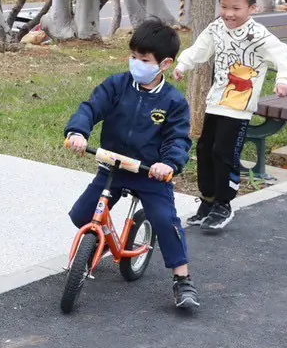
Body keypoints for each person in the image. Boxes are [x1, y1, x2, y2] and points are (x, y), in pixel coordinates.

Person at [65, 19, 196, 310]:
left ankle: (182, 279)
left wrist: (168, 164)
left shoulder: (173, 102)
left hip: (149, 173)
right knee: (82, 214)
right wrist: (78, 132)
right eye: (133, 56)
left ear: (164, 64)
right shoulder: (116, 86)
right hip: (113, 166)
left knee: (165, 220)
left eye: (144, 60)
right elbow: (91, 108)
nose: (136, 63)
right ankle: (98, 240)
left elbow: (178, 138)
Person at [171, 0, 287, 233]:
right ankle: (207, 200)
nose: (229, 13)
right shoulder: (217, 27)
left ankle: (223, 204)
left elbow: (282, 54)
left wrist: (284, 80)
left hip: (239, 107)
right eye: (224, 6)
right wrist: (183, 65)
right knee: (205, 149)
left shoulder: (258, 35)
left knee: (224, 152)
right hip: (216, 101)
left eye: (236, 8)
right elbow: (200, 48)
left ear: (252, 8)